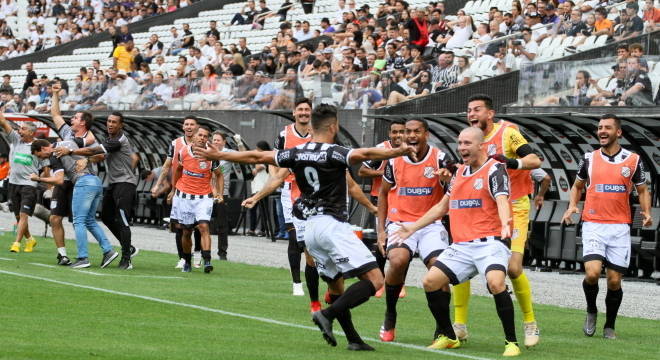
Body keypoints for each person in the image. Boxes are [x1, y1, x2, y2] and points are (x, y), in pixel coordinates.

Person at [193, 104, 416, 351]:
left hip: (310, 230)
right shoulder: (334, 152)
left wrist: (221, 155)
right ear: (333, 126)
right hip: (332, 226)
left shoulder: (296, 152)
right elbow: (365, 154)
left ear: (311, 126)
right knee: (375, 280)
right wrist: (398, 151)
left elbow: (258, 157)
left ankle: (353, 339)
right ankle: (327, 315)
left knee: (336, 286)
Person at [391, 126, 520, 357]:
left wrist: (504, 223)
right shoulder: (459, 173)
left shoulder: (495, 169)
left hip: (490, 242)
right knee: (430, 282)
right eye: (460, 143)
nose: (462, 148)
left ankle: (512, 342)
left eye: (467, 143)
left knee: (496, 283)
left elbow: (502, 199)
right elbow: (442, 207)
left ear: (480, 145)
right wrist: (413, 227)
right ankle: (449, 336)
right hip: (462, 245)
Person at [453, 94, 542, 348]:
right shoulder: (469, 140)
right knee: (463, 259)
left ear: (490, 113)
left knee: (513, 269)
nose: (472, 114)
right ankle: (459, 325)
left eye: (477, 109)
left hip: (513, 205)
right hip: (481, 208)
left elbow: (535, 160)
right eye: (469, 110)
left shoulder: (508, 133)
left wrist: (512, 162)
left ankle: (530, 322)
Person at [562, 114, 651, 340]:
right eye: (600, 127)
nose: (602, 131)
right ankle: (591, 310)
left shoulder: (633, 160)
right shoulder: (589, 158)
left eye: (607, 128)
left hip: (619, 227)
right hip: (593, 224)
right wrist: (573, 206)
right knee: (592, 273)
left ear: (618, 132)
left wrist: (647, 212)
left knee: (613, 280)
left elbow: (642, 190)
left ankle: (609, 325)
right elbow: (577, 186)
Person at [375, 118, 454, 342]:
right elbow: (383, 193)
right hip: (400, 222)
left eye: (416, 132)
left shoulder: (439, 158)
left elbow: (456, 183)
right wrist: (381, 230)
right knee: (398, 260)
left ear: (426, 134)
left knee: (438, 271)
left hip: (431, 224)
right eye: (407, 132)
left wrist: (448, 180)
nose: (410, 135)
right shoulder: (394, 160)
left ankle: (442, 327)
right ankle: (390, 315)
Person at [55, 112, 140, 270]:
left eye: (114, 122)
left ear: (121, 125)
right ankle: (120, 248)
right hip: (113, 183)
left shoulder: (118, 140)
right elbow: (100, 155)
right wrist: (87, 159)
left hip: (125, 184)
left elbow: (93, 151)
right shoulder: (109, 139)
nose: (110, 124)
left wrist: (72, 152)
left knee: (122, 221)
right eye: (109, 121)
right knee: (107, 217)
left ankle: (126, 258)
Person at [31, 139, 119, 269]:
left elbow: (59, 180)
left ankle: (83, 258)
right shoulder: (70, 142)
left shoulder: (55, 155)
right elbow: (98, 152)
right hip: (96, 181)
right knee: (89, 220)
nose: (42, 158)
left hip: (83, 182)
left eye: (40, 155)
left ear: (44, 149)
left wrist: (38, 178)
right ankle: (108, 251)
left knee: (78, 221)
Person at [49, 82, 98, 265]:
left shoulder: (90, 138)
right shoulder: (68, 132)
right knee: (55, 217)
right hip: (63, 180)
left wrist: (87, 159)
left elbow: (100, 155)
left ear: (83, 122)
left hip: (80, 181)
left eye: (76, 117)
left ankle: (101, 251)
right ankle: (62, 255)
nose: (72, 119)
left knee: (83, 220)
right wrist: (55, 94)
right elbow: (55, 114)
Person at [272, 98, 317, 298]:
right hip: (289, 190)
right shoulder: (284, 134)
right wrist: (275, 179)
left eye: (307, 110)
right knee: (294, 241)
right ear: (294, 113)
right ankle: (296, 283)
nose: (304, 113)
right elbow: (272, 159)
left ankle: (316, 279)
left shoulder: (318, 134)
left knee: (310, 242)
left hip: (313, 193)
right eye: (300, 110)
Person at [168, 126, 224, 273]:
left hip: (204, 197)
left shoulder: (211, 155)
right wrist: (174, 190)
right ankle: (186, 260)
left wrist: (220, 193)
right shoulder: (183, 151)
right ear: (194, 136)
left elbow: (219, 174)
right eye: (200, 135)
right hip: (184, 197)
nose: (202, 138)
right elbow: (177, 171)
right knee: (186, 231)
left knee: (204, 227)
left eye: (205, 136)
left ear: (208, 139)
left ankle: (207, 261)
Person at [358, 120, 405, 290]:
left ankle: (400, 282)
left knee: (402, 242)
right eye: (395, 132)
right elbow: (362, 171)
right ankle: (380, 279)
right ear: (389, 134)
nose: (398, 135)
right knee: (382, 239)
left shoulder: (411, 148)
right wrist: (385, 174)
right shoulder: (381, 149)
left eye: (401, 131)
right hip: (382, 198)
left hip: (404, 202)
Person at [151, 115, 203, 268]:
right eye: (186, 124)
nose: (188, 127)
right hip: (180, 190)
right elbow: (167, 166)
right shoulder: (175, 144)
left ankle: (199, 252)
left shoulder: (203, 144)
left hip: (200, 191)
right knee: (180, 225)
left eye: (192, 124)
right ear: (182, 127)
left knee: (200, 225)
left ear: (197, 127)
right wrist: (158, 185)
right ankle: (183, 257)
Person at [1, 112, 40, 253]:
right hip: (13, 183)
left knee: (24, 215)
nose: (19, 131)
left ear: (31, 132)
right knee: (18, 216)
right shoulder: (17, 140)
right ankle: (30, 239)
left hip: (29, 184)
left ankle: (16, 243)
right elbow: (4, 122)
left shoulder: (38, 146)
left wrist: (49, 186)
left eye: (23, 129)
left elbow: (46, 166)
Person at [210, 131, 246, 260]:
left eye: (218, 140)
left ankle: (222, 253)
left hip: (222, 194)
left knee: (222, 225)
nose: (215, 142)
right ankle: (200, 251)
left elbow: (244, 155)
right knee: (201, 223)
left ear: (224, 142)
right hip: (206, 193)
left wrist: (239, 143)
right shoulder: (207, 151)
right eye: (214, 140)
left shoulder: (228, 153)